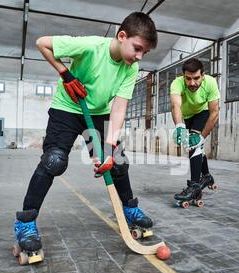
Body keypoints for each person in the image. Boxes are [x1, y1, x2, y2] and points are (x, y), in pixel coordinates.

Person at [13, 12, 158, 256]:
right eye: (137, 48)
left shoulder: (130, 67)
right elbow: (42, 43)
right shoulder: (91, 46)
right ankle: (25, 222)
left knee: (118, 163)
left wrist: (110, 150)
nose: (139, 56)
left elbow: (119, 107)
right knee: (54, 161)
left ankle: (129, 208)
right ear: (122, 36)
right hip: (67, 109)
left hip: (98, 113)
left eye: (144, 52)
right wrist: (65, 74)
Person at [170, 58, 220, 203]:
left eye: (196, 78)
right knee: (192, 146)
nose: (192, 83)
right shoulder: (177, 83)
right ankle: (206, 176)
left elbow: (214, 113)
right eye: (188, 79)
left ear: (203, 75)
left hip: (202, 112)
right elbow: (175, 106)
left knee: (194, 143)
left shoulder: (210, 83)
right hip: (185, 115)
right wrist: (179, 126)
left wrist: (202, 137)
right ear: (183, 76)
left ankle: (194, 187)